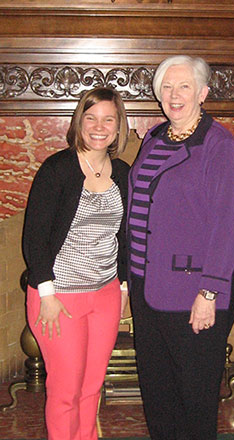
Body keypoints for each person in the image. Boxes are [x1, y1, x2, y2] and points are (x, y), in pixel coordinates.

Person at [127, 55, 234, 440]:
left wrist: (209, 292)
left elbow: (226, 226)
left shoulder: (219, 145)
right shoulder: (154, 137)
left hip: (197, 290)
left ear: (203, 93)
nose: (174, 95)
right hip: (147, 285)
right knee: (158, 396)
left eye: (184, 87)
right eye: (166, 87)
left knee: (194, 400)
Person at [23, 87, 130, 440]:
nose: (99, 127)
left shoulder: (123, 172)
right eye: (91, 118)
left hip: (105, 295)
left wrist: (124, 285)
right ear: (79, 123)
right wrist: (47, 294)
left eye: (108, 119)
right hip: (58, 297)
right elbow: (34, 239)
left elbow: (126, 234)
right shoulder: (58, 169)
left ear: (118, 127)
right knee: (66, 392)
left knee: (91, 388)